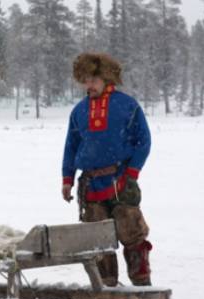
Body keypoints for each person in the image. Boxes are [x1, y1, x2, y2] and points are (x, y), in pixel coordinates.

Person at [61, 52, 153, 286]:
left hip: (121, 179)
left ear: (106, 78)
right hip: (91, 184)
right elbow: (71, 147)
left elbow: (144, 141)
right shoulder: (79, 111)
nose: (87, 85)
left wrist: (131, 174)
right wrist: (67, 179)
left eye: (92, 80)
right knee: (97, 238)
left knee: (131, 232)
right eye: (84, 80)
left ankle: (142, 283)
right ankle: (106, 285)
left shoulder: (127, 106)